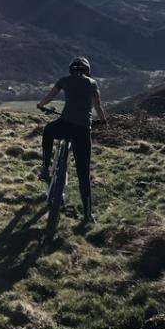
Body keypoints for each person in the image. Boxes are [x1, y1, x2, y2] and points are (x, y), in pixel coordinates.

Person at [37, 56, 108, 224]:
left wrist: (40, 105)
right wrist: (103, 121)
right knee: (84, 173)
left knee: (48, 130)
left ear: (71, 69)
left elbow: (49, 97)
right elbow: (97, 106)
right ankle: (88, 215)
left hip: (65, 124)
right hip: (83, 130)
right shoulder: (92, 83)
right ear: (87, 70)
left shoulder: (64, 80)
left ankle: (45, 168)